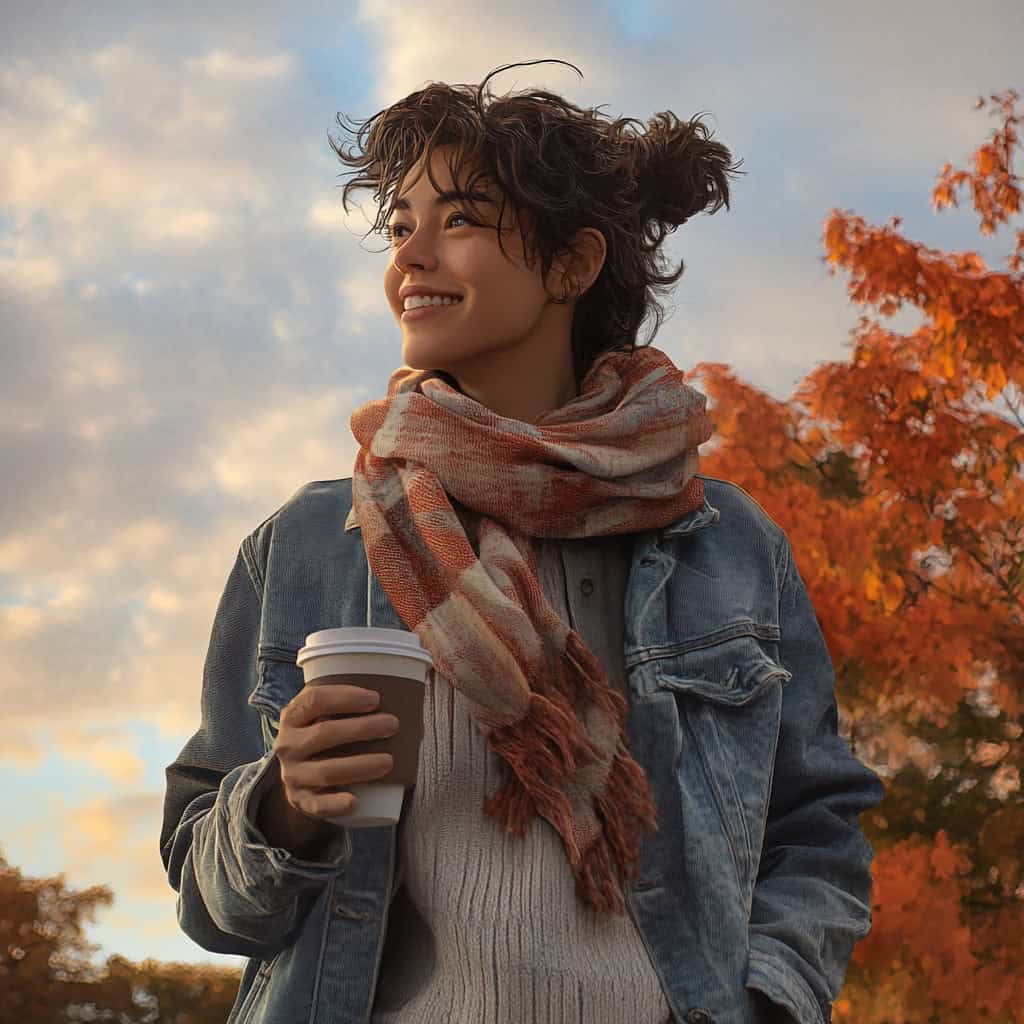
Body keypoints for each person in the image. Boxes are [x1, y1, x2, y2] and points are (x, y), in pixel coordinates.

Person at [160, 59, 885, 1024]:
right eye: (399, 224)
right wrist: (283, 805)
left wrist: (767, 1003)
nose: (411, 253)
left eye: (457, 218)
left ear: (572, 265)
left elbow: (818, 831)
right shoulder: (306, 547)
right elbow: (205, 898)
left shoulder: (729, 547)